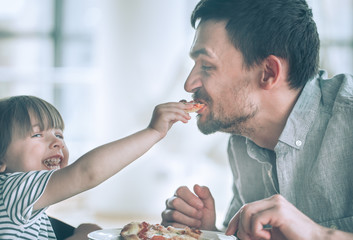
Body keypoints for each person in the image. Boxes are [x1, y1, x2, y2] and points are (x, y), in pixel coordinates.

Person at [160, 0, 353, 239]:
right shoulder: (242, 138)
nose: (189, 84)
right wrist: (210, 234)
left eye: (207, 66)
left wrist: (318, 235)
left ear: (268, 73)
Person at [0, 95, 194, 239]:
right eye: (37, 135)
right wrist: (153, 132)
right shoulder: (12, 188)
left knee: (88, 229)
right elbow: (87, 172)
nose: (57, 142)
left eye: (59, 135)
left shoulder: (23, 203)